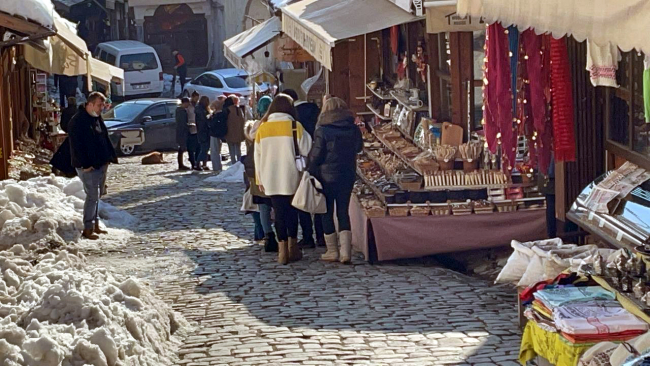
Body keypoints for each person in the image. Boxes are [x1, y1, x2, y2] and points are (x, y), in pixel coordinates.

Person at [254, 94, 312, 264]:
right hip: (291, 175)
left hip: (270, 176)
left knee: (279, 213)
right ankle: (293, 248)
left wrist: (260, 179)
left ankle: (282, 253)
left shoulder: (263, 128)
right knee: (292, 212)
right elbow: (307, 148)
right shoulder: (295, 126)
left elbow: (257, 156)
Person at [307, 97, 362, 264]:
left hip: (326, 176)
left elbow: (316, 156)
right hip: (347, 174)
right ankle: (346, 252)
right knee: (343, 211)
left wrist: (309, 168)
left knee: (327, 211)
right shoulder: (352, 128)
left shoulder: (322, 130)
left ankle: (332, 251)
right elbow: (358, 148)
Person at [67, 92, 117, 240]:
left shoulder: (96, 117)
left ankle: (95, 224)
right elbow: (77, 145)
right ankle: (88, 228)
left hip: (101, 162)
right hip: (87, 165)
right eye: (99, 105)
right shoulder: (78, 121)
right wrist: (85, 164)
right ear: (90, 104)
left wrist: (109, 157)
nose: (102, 108)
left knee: (98, 195)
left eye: (103, 105)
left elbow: (103, 137)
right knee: (92, 195)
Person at [282, 89, 324, 248]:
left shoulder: (293, 118)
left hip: (300, 163)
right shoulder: (315, 110)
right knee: (318, 197)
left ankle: (308, 237)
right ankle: (322, 236)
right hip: (319, 160)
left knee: (302, 199)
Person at [243, 95, 277, 252]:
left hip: (256, 171)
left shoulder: (255, 127)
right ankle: (281, 236)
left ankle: (267, 235)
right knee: (276, 204)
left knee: (262, 205)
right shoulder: (274, 125)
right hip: (273, 169)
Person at [224, 95, 246, 165]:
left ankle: (233, 164)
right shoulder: (239, 109)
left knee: (231, 150)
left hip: (229, 133)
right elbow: (243, 120)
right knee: (238, 150)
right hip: (238, 133)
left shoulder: (227, 109)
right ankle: (239, 163)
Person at [209, 95, 227, 172]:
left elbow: (213, 125)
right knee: (217, 151)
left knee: (214, 151)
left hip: (214, 134)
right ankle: (218, 166)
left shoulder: (217, 115)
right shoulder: (223, 113)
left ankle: (216, 167)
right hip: (218, 134)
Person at [195, 96, 212, 170]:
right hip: (203, 131)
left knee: (206, 148)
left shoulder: (203, 109)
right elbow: (203, 121)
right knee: (204, 148)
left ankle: (204, 164)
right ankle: (197, 163)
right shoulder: (200, 110)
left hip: (205, 131)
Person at [175, 98, 191, 170]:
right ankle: (180, 165)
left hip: (180, 131)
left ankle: (180, 164)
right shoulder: (181, 111)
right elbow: (182, 123)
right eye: (188, 103)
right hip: (182, 132)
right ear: (185, 103)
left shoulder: (179, 110)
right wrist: (189, 126)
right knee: (181, 148)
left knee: (181, 149)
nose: (189, 104)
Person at [187, 92, 201, 170]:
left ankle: (197, 162)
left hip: (198, 128)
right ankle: (193, 163)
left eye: (198, 98)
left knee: (198, 147)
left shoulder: (198, 105)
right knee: (191, 147)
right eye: (196, 98)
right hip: (190, 128)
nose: (197, 99)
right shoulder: (189, 106)